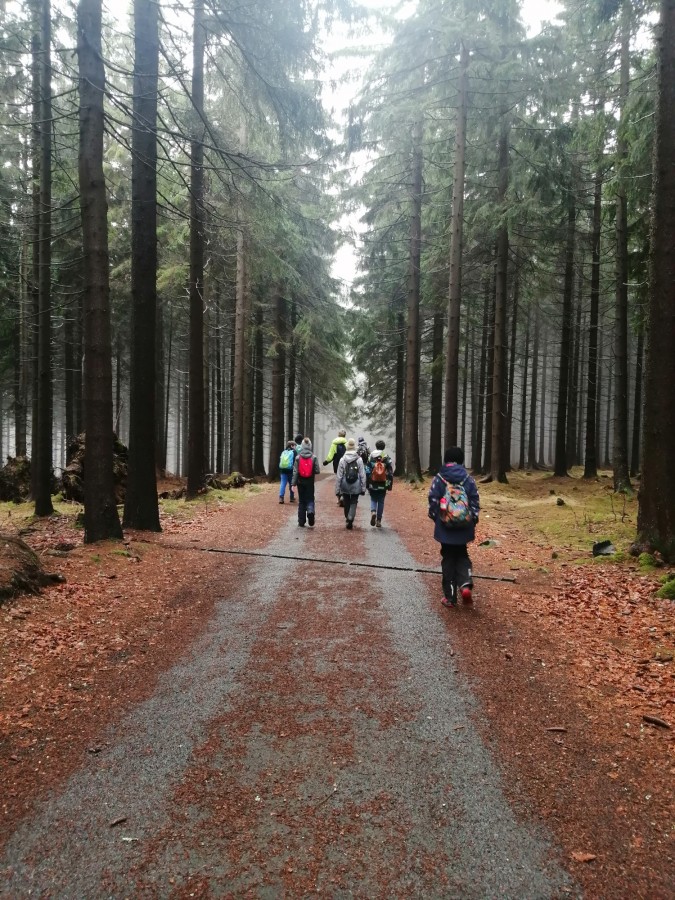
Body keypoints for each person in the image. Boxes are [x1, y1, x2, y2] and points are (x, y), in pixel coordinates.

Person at [427, 446, 480, 607]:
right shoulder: (468, 478)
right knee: (462, 554)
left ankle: (450, 598)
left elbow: (433, 499)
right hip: (464, 525)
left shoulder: (440, 478)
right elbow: (474, 499)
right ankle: (465, 585)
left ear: (446, 460)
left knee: (448, 558)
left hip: (446, 526)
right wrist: (473, 519)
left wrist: (436, 517)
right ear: (461, 460)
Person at [336, 438, 366, 529]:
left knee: (346, 501)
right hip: (356, 484)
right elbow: (362, 475)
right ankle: (350, 517)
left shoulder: (342, 459)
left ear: (347, 447)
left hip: (345, 484)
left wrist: (337, 490)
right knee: (354, 501)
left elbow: (339, 476)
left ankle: (347, 517)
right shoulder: (359, 459)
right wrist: (363, 488)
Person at [292, 437, 320, 527]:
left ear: (302, 446)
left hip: (300, 482)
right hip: (310, 482)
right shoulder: (314, 457)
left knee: (302, 501)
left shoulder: (298, 458)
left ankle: (301, 521)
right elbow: (317, 470)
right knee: (310, 498)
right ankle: (311, 511)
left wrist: (293, 484)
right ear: (310, 446)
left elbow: (295, 472)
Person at [366, 440, 393, 527]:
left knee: (373, 499)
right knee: (381, 501)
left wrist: (368, 482)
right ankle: (378, 520)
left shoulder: (371, 456)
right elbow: (390, 472)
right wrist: (389, 484)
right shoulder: (386, 457)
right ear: (383, 447)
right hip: (383, 482)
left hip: (373, 482)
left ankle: (373, 512)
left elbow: (367, 470)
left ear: (376, 446)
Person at [324, 429, 348, 506]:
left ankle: (339, 497)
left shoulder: (334, 444)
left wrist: (326, 461)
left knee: (338, 480)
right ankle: (344, 495)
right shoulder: (347, 443)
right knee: (345, 479)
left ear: (338, 435)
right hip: (346, 464)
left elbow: (330, 455)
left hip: (337, 464)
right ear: (344, 435)